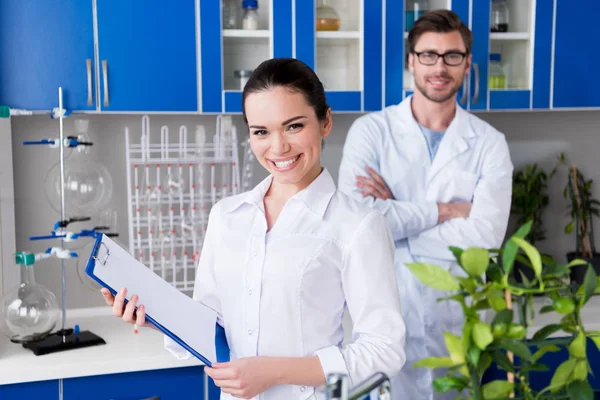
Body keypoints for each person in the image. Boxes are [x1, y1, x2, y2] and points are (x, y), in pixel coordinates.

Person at [102, 58, 406, 400]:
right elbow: (211, 328)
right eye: (261, 131)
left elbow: (384, 350)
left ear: (326, 121)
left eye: (293, 126)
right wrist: (153, 314)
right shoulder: (227, 216)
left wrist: (272, 371)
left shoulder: (358, 224)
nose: (278, 147)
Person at [338, 10, 513, 400]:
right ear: (411, 60)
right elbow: (356, 223)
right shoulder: (371, 131)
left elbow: (484, 236)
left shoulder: (489, 143)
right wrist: (446, 210)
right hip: (384, 313)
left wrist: (396, 219)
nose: (440, 66)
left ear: (468, 63)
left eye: (452, 56)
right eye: (428, 55)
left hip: (455, 319)